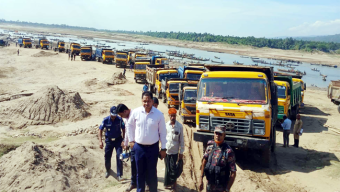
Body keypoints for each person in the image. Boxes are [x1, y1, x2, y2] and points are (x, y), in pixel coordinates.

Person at [126, 91, 167, 192]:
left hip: (153, 148)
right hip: (139, 148)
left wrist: (163, 148)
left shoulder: (158, 114)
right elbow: (129, 125)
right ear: (141, 101)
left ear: (152, 101)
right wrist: (131, 140)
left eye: (148, 101)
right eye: (144, 101)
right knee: (140, 173)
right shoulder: (136, 112)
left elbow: (162, 132)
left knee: (152, 173)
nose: (146, 103)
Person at [199, 125, 237, 192]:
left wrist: (227, 189)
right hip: (209, 185)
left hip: (221, 188)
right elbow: (204, 162)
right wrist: (201, 179)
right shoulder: (210, 147)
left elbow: (233, 172)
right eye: (216, 133)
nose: (217, 135)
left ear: (224, 135)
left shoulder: (228, 151)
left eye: (220, 134)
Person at [98, 106, 125, 180]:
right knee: (107, 156)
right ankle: (108, 170)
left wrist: (123, 139)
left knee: (119, 156)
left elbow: (123, 128)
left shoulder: (119, 119)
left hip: (118, 140)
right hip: (109, 141)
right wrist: (100, 141)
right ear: (110, 113)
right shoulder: (105, 120)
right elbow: (100, 130)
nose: (113, 117)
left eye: (115, 115)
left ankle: (119, 175)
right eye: (112, 115)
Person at [117, 104, 137, 192]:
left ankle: (146, 183)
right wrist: (125, 143)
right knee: (133, 164)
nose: (121, 117)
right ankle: (133, 183)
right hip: (132, 146)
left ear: (125, 111)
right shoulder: (125, 119)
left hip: (140, 144)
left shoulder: (136, 114)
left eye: (121, 115)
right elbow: (128, 132)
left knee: (143, 165)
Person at [164, 108, 184, 190]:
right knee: (167, 168)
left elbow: (181, 140)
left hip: (175, 152)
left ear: (176, 116)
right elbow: (163, 137)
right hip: (167, 151)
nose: (172, 117)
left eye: (174, 116)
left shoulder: (179, 126)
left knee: (173, 168)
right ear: (169, 116)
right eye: (171, 116)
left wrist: (181, 152)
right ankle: (168, 183)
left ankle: (174, 184)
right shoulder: (166, 125)